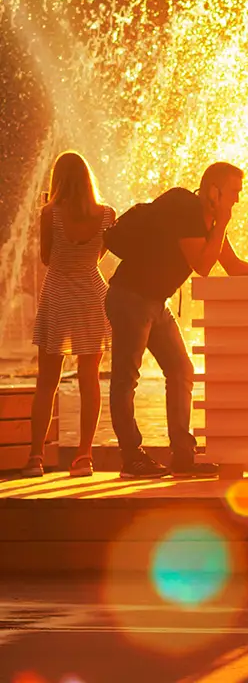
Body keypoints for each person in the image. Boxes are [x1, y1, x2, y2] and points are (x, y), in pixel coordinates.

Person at [105, 162, 248, 479]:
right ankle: (131, 458)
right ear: (213, 190)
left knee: (181, 369)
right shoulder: (185, 209)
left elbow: (230, 265)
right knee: (126, 378)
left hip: (155, 302)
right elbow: (203, 265)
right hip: (130, 298)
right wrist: (222, 222)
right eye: (233, 193)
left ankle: (184, 456)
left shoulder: (209, 221)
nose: (237, 201)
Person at [22, 152, 115, 478]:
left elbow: (48, 257)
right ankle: (84, 458)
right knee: (89, 380)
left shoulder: (51, 213)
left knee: (47, 381)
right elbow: (99, 254)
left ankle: (35, 457)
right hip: (92, 294)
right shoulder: (107, 214)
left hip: (59, 293)